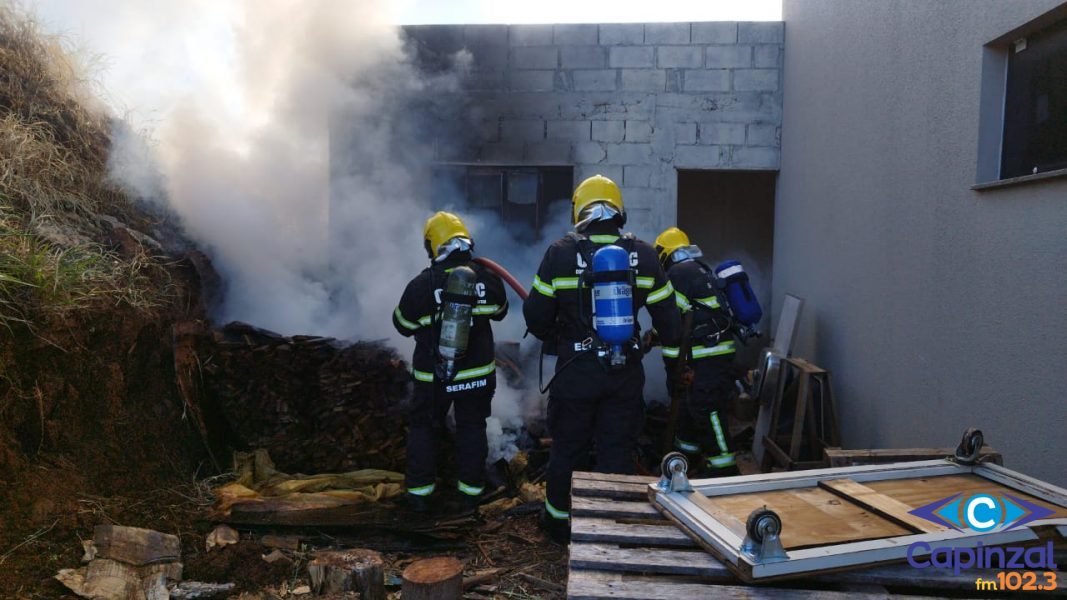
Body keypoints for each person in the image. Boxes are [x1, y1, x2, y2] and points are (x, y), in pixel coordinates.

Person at [524, 175, 681, 542]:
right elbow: (671, 324)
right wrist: (665, 358)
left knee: (567, 449)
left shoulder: (560, 253)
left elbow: (535, 316)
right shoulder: (643, 255)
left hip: (574, 372)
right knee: (616, 450)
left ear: (579, 210)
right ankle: (612, 526)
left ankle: (557, 524)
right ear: (618, 210)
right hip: (623, 373)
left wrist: (561, 338)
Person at [392, 211, 508, 513]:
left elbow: (402, 324)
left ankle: (420, 496)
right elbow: (501, 310)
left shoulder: (421, 285)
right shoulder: (487, 279)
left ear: (433, 246)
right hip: (478, 376)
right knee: (472, 427)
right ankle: (470, 496)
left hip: (434, 378)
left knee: (425, 429)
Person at [652, 227, 741, 477]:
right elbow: (686, 317)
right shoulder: (698, 268)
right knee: (689, 412)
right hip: (711, 352)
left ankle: (725, 469)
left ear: (665, 254)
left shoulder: (678, 273)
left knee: (707, 409)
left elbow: (672, 326)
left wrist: (673, 372)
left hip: (708, 355)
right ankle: (686, 461)